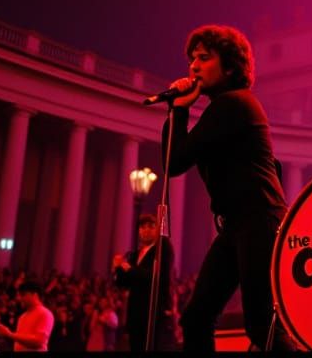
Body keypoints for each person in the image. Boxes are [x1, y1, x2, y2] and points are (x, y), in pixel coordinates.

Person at [163, 24, 290, 351]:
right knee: (196, 318)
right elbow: (172, 162)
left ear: (231, 66)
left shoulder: (233, 104)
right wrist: (180, 110)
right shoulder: (224, 107)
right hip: (239, 225)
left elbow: (175, 160)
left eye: (204, 58)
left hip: (258, 220)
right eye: (192, 58)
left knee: (261, 324)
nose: (193, 66)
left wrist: (179, 109)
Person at [113, 212, 176, 351]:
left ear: (157, 229)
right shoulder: (135, 254)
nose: (146, 230)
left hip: (153, 311)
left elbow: (155, 276)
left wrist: (126, 266)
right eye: (142, 227)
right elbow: (123, 283)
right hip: (136, 313)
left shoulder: (162, 248)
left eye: (151, 226)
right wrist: (117, 269)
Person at [0, 281, 54, 352]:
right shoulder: (22, 316)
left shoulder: (45, 313)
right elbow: (20, 341)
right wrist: (4, 333)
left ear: (35, 295)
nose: (19, 298)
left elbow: (39, 341)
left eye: (23, 295)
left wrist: (10, 334)